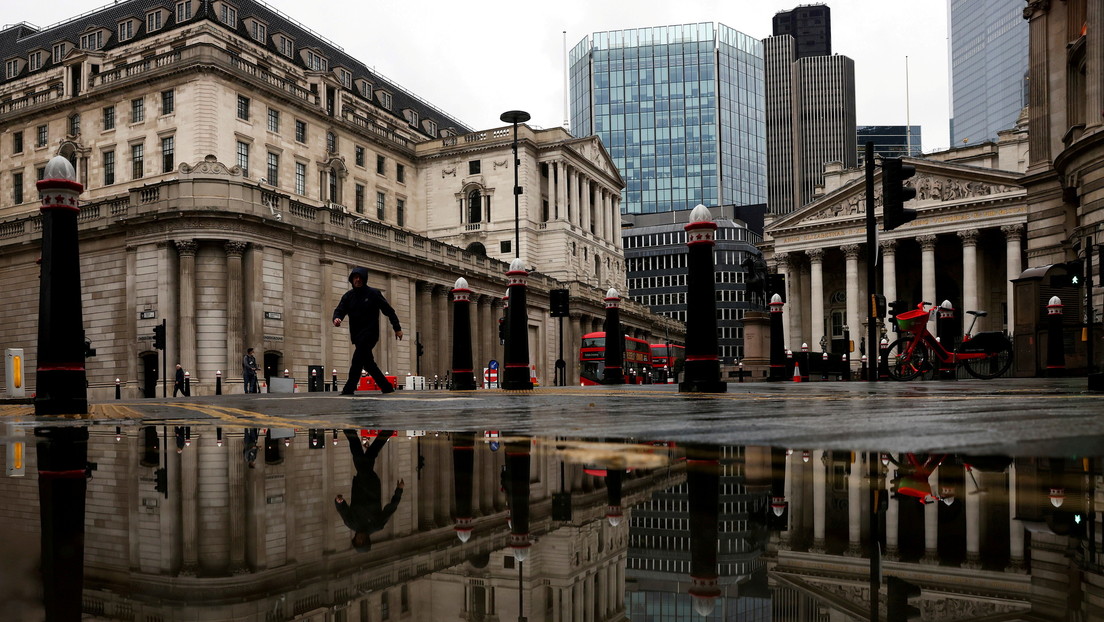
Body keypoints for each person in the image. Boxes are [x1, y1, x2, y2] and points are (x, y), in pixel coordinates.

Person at [332, 267, 403, 395]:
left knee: (357, 360)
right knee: (368, 363)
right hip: (357, 335)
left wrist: (397, 328)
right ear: (352, 279)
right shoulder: (348, 296)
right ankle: (386, 387)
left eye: (360, 277)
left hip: (370, 333)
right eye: (355, 277)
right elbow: (340, 310)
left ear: (364, 279)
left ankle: (349, 388)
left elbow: (389, 311)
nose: (358, 280)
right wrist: (337, 318)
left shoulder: (373, 293)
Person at [335, 430, 404, 552]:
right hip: (372, 485)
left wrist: (339, 502)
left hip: (360, 484)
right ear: (367, 540)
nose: (359, 539)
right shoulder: (377, 525)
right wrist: (399, 491)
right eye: (362, 542)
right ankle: (351, 433)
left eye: (358, 541)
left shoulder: (351, 523)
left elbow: (343, 510)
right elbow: (390, 508)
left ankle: (384, 433)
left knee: (368, 457)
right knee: (359, 457)